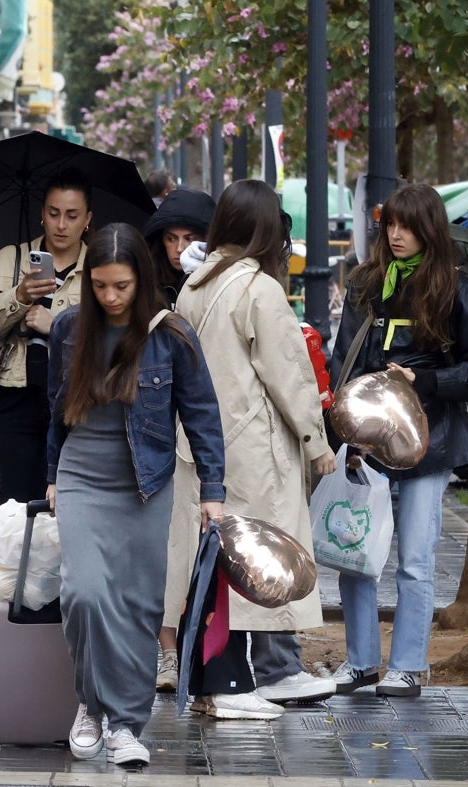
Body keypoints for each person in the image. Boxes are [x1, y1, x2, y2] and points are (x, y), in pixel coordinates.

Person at [46, 223, 226, 767]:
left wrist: (213, 492)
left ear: (140, 280)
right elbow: (54, 411)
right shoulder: (69, 329)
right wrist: (51, 474)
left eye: (120, 285)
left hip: (146, 483)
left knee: (138, 607)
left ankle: (125, 723)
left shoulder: (171, 335)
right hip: (82, 475)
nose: (110, 296)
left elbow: (202, 416)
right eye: (99, 285)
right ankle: (90, 705)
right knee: (83, 594)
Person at [168, 179, 338, 718]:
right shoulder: (259, 290)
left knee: (219, 563)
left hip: (203, 447)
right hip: (255, 448)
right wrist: (317, 442)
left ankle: (233, 673)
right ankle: (271, 673)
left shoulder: (193, 285)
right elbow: (290, 375)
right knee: (269, 557)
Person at [329, 182, 468, 698]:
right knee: (354, 552)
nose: (397, 235)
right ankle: (360, 662)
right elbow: (345, 361)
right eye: (390, 225)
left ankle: (408, 664)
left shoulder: (454, 286)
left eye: (408, 226)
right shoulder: (365, 283)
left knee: (416, 560)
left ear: (429, 229)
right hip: (368, 440)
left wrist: (425, 381)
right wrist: (348, 433)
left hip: (430, 442)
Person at [0, 168, 92, 508]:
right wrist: (20, 295)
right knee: (12, 503)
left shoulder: (101, 266)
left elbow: (111, 337)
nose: (61, 225)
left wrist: (56, 324)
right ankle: (13, 563)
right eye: (54, 213)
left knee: (66, 503)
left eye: (72, 216)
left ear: (87, 219)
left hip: (74, 400)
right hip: (15, 394)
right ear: (42, 213)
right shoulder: (10, 259)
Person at [141, 186, 216, 691]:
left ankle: (203, 650)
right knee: (169, 546)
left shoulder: (219, 284)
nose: (178, 248)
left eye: (190, 238)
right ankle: (166, 650)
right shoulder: (148, 288)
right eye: (171, 237)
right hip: (158, 432)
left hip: (206, 430)